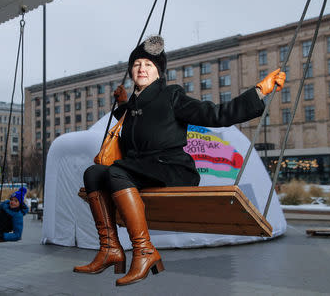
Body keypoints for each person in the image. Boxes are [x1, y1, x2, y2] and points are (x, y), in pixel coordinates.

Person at [73, 35, 286, 286]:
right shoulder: (132, 105)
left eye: (149, 65)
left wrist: (259, 91)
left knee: (115, 172)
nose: (142, 68)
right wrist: (122, 103)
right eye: (137, 64)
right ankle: (110, 248)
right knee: (93, 174)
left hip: (171, 168)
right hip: (140, 170)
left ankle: (144, 251)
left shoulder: (172, 96)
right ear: (131, 70)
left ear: (159, 72)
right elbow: (137, 119)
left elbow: (216, 114)